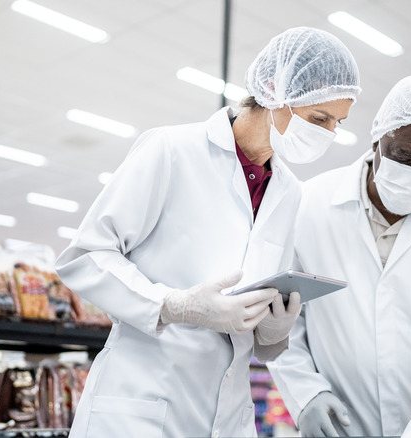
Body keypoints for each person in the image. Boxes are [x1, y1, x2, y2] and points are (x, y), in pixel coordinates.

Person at [55, 27, 360, 438]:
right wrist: (174, 305)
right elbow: (86, 256)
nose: (328, 134)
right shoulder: (172, 150)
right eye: (319, 118)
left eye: (337, 123)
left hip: (228, 416)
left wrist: (273, 328)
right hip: (142, 406)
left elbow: (254, 314)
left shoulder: (290, 193)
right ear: (272, 90)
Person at [267, 75, 411, 438]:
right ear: (378, 137)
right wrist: (305, 392)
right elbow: (281, 316)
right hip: (342, 427)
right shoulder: (309, 205)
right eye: (404, 155)